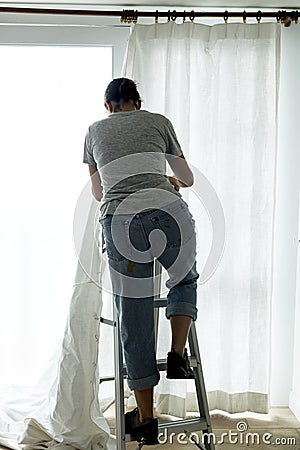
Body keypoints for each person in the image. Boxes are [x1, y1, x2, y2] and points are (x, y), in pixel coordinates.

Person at [83, 78, 199, 445]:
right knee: (184, 280)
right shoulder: (159, 121)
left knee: (132, 313)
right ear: (137, 101)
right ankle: (178, 354)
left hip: (121, 222)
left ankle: (146, 418)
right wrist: (163, 178)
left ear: (108, 106)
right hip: (169, 212)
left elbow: (100, 191)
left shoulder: (94, 131)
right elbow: (188, 179)